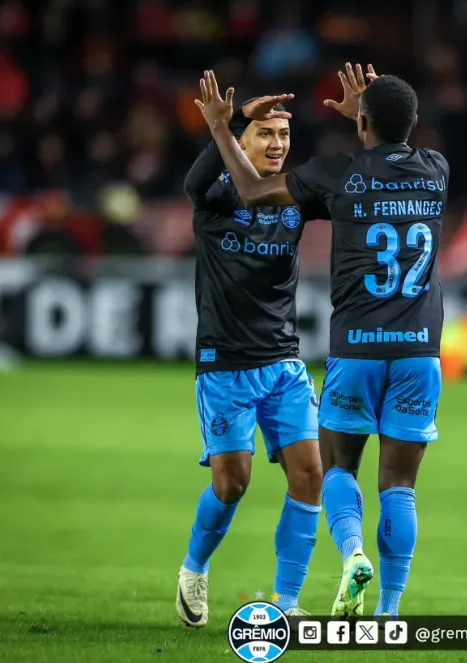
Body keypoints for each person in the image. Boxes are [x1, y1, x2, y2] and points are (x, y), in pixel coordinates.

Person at [194, 64, 447, 619]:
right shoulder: (436, 169)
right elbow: (390, 146)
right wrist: (367, 113)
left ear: (362, 127)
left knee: (336, 470)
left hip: (356, 347)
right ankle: (389, 613)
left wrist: (221, 127)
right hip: (419, 351)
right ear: (416, 122)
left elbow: (255, 192)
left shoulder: (339, 172)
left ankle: (353, 550)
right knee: (400, 484)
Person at [176, 93, 327, 627]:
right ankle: (194, 567)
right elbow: (194, 184)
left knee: (310, 474)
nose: (277, 145)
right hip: (224, 363)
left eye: (283, 137)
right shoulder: (215, 194)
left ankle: (286, 603)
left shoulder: (296, 194)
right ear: (241, 142)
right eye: (264, 134)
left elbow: (354, 194)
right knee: (231, 483)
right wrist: (228, 122)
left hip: (283, 361)